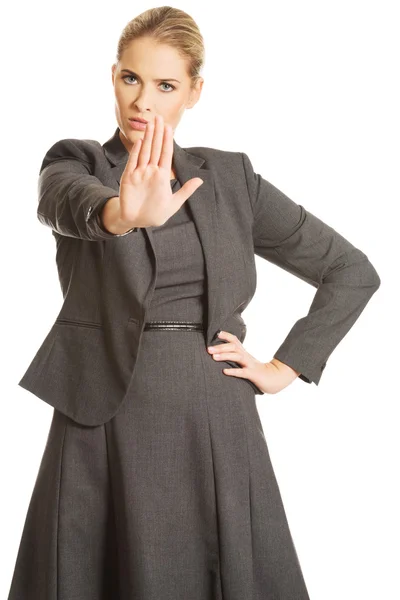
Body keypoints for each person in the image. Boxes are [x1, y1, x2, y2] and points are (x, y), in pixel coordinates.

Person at [7, 6, 381, 600]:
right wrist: (121, 213)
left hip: (214, 412)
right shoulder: (74, 161)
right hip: (104, 412)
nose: (143, 102)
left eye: (165, 85)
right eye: (131, 78)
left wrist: (285, 367)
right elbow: (65, 203)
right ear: (112, 76)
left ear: (194, 92)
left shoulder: (231, 178)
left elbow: (350, 271)